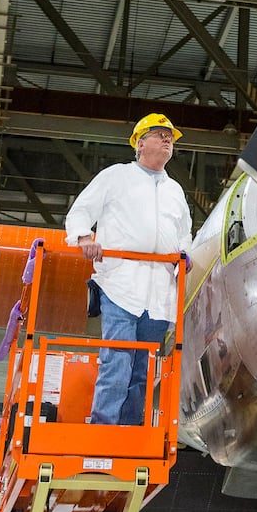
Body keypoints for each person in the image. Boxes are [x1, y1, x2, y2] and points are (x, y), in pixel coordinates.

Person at [65, 112, 192, 426]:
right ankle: (103, 429)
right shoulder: (116, 176)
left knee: (144, 368)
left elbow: (185, 233)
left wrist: (186, 254)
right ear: (140, 143)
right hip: (121, 284)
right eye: (160, 134)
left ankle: (130, 433)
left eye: (170, 136)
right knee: (118, 362)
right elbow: (81, 210)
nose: (167, 140)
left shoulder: (175, 191)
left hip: (160, 293)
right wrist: (83, 237)